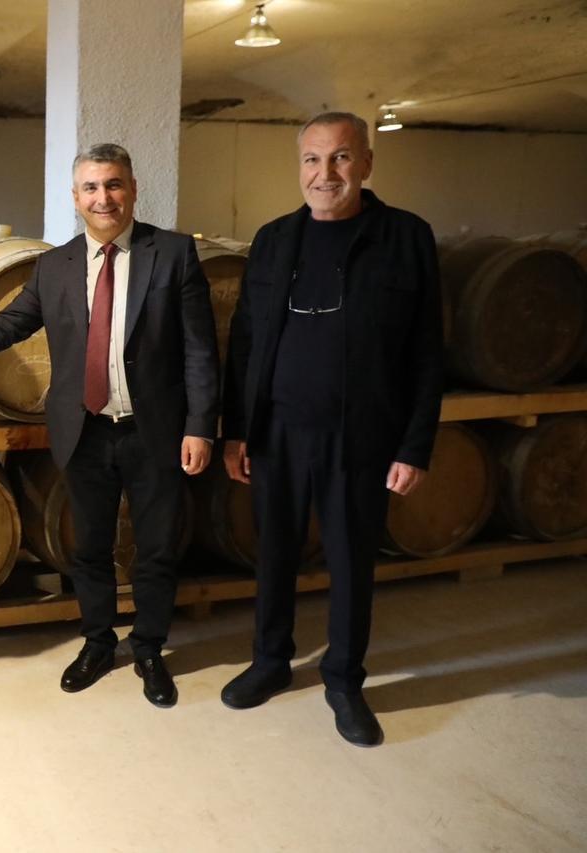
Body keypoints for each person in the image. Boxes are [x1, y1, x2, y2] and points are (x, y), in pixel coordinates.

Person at [0, 143, 220, 708]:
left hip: (155, 430)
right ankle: (98, 642)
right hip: (85, 429)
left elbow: (200, 351)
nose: (102, 197)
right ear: (75, 197)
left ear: (133, 189)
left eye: (113, 184)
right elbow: (10, 324)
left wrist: (201, 426)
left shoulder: (173, 253)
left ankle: (150, 648)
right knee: (89, 548)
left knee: (157, 548)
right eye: (91, 187)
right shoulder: (54, 264)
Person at [220, 111, 444, 747]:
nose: (326, 173)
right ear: (300, 167)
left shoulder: (405, 237)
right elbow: (246, 340)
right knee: (274, 555)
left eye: (341, 157)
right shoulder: (273, 238)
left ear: (366, 163)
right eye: (313, 159)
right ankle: (270, 661)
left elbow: (428, 349)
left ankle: (344, 680)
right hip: (278, 431)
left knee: (350, 561)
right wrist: (238, 429)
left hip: (361, 435)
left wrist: (414, 445)